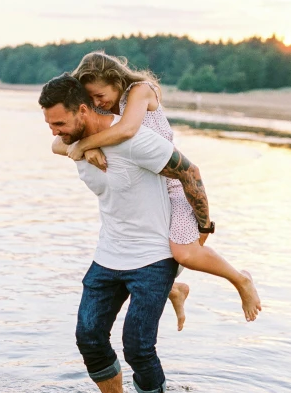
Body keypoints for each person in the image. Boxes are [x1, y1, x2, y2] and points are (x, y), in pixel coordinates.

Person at [39, 73, 214, 393]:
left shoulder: (133, 139)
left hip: (152, 257)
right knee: (89, 338)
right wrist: (83, 147)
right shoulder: (75, 143)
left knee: (137, 347)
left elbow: (190, 172)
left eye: (58, 122)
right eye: (49, 124)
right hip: (108, 255)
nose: (53, 131)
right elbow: (57, 145)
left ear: (84, 110)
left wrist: (203, 226)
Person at [63, 51, 260, 328]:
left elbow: (129, 129)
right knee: (145, 254)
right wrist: (86, 144)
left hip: (173, 185)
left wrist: (85, 145)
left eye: (99, 95)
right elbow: (60, 143)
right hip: (145, 189)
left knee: (184, 253)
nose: (96, 103)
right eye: (90, 99)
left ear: (116, 79)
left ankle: (241, 279)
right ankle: (174, 290)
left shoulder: (141, 90)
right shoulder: (104, 111)